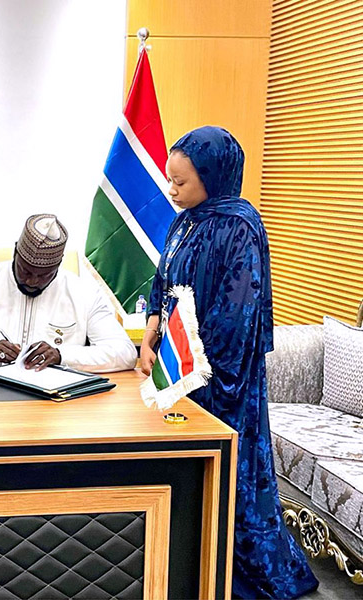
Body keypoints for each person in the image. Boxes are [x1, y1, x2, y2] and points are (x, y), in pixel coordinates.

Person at [140, 126, 318, 599]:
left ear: (213, 177)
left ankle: (232, 573)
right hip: (179, 367)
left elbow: (237, 311)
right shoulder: (184, 220)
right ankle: (183, 559)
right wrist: (153, 327)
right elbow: (162, 279)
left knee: (228, 476)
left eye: (181, 182)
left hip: (221, 379)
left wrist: (191, 364)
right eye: (170, 180)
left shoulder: (240, 224)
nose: (172, 191)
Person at [0, 213, 136, 373]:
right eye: (25, 271)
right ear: (15, 253)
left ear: (58, 264)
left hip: (57, 402)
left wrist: (61, 355)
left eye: (44, 275)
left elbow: (125, 354)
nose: (32, 281)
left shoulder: (84, 293)